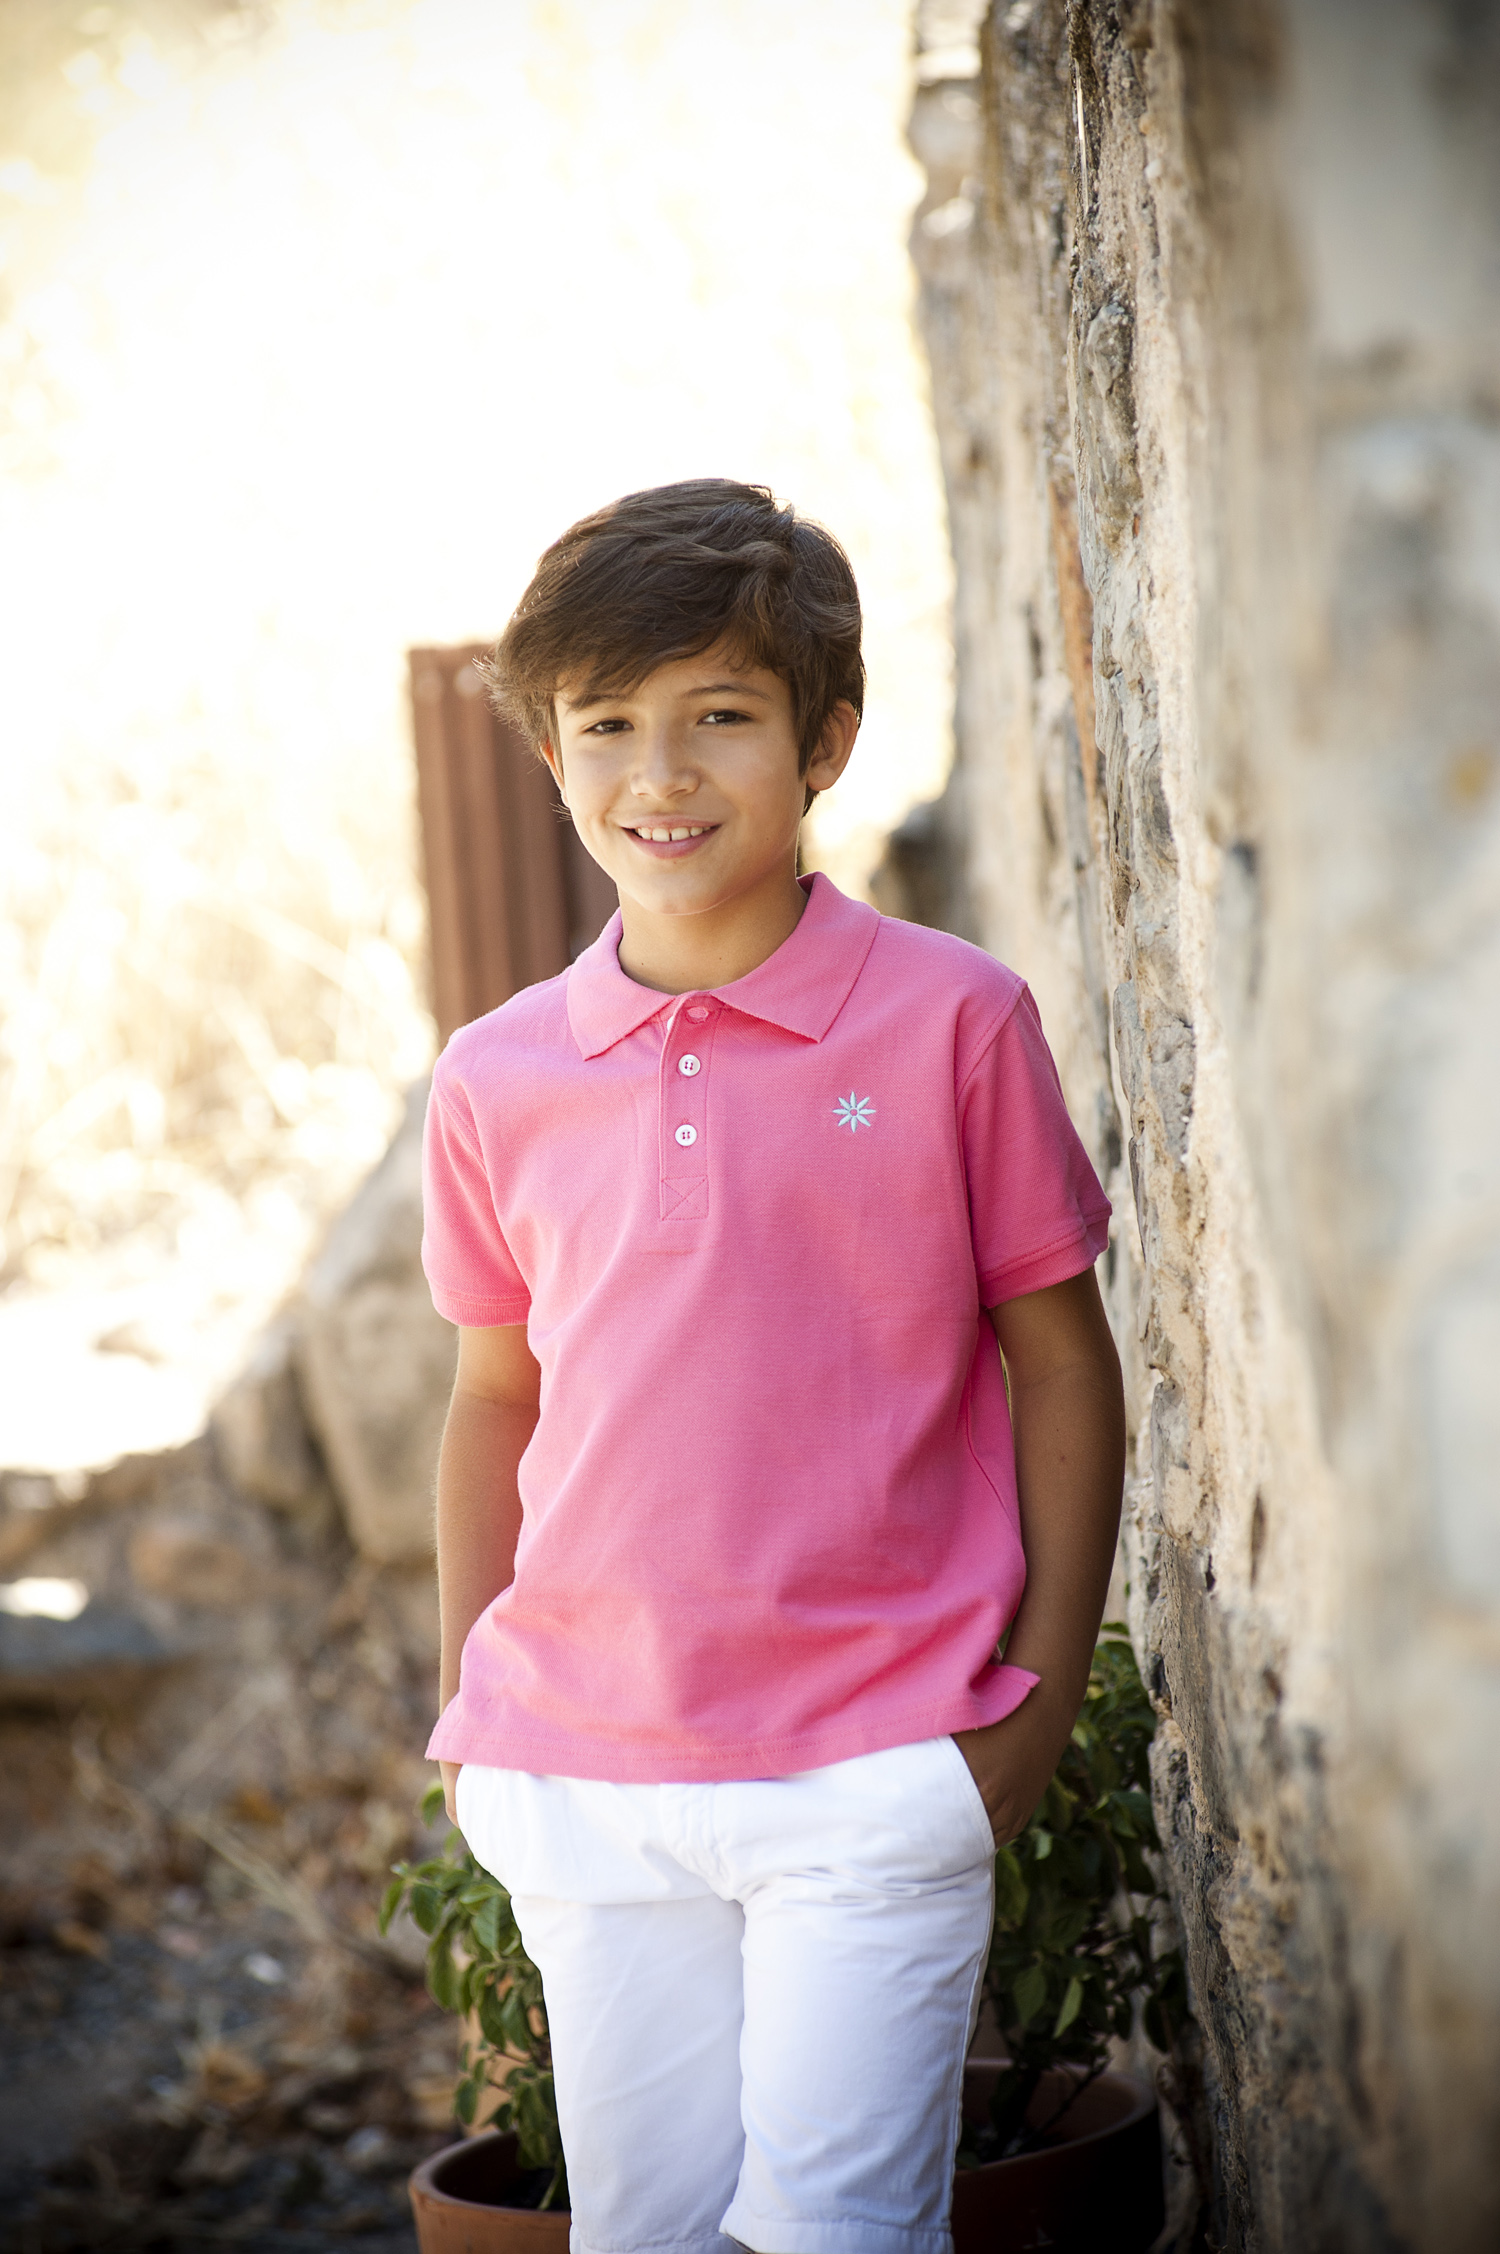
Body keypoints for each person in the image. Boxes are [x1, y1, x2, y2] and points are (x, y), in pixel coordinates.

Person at [421, 478, 1125, 2254]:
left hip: (874, 1759)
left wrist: (1037, 1702)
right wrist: (475, 1714)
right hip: (586, 1768)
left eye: (720, 715)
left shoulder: (955, 1018)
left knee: (839, 2237)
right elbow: (495, 1397)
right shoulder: (496, 1076)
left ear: (825, 742)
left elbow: (1061, 1361)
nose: (660, 773)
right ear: (552, 752)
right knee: (640, 2233)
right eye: (607, 723)